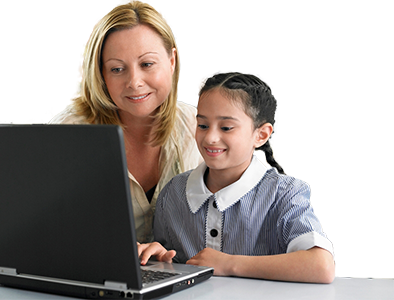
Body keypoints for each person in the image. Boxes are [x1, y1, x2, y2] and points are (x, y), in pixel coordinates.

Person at [138, 72, 336, 284]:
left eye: (226, 128)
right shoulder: (174, 192)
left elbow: (321, 266)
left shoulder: (284, 193)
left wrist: (228, 263)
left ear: (261, 135)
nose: (210, 138)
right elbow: (173, 262)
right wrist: (158, 255)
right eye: (203, 125)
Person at [49, 1, 201, 243]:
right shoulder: (69, 134)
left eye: (147, 64)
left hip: (183, 273)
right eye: (117, 69)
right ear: (101, 74)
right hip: (99, 275)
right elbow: (47, 230)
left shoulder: (198, 125)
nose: (134, 81)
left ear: (171, 61)